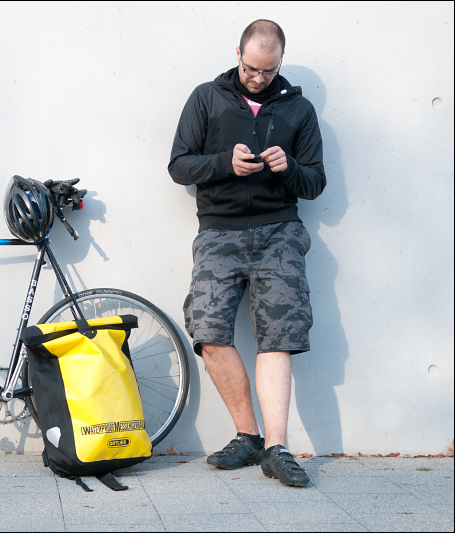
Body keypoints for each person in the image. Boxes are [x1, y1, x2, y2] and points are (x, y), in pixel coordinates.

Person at [167, 19, 326, 487]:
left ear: (280, 61)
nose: (259, 78)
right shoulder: (206, 97)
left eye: (269, 70)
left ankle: (277, 448)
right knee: (207, 329)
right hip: (219, 231)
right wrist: (223, 164)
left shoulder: (299, 109)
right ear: (238, 54)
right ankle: (248, 436)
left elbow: (315, 182)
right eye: (252, 69)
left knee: (278, 334)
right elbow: (179, 164)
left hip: (280, 231)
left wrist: (288, 166)